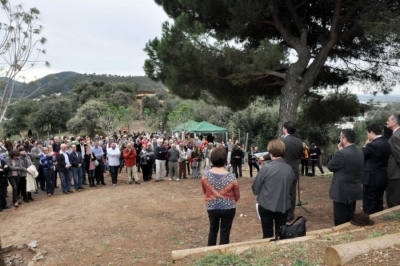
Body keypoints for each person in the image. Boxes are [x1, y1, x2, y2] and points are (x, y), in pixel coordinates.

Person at [252, 139, 294, 238]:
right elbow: (291, 188)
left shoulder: (266, 168)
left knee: (267, 233)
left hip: (266, 204)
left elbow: (256, 189)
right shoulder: (289, 169)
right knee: (281, 232)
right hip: (283, 205)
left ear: (270, 152)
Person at [201, 147, 240, 246]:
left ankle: (211, 253)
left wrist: (214, 196)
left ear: (212, 159)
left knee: (213, 229)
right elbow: (237, 194)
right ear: (225, 159)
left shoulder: (205, 175)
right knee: (225, 231)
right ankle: (223, 254)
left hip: (212, 206)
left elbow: (205, 191)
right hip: (229, 207)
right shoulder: (231, 176)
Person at [327, 129, 364, 226]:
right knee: (350, 216)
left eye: (340, 137)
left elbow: (330, 166)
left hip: (341, 191)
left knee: (340, 219)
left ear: (345, 139)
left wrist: (339, 151)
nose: (339, 140)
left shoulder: (342, 154)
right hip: (354, 188)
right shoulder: (360, 151)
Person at [361, 124, 391, 214]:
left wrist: (365, 146)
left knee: (369, 202)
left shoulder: (372, 145)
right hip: (382, 176)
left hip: (371, 178)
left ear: (372, 133)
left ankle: (370, 219)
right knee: (379, 201)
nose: (367, 135)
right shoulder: (386, 143)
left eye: (367, 133)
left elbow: (361, 155)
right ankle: (378, 218)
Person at [281, 121, 303, 222]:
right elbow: (300, 155)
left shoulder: (283, 141)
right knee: (292, 192)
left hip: (284, 169)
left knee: (284, 192)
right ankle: (291, 213)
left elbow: (278, 154)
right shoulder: (299, 142)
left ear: (285, 129)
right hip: (294, 169)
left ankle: (284, 212)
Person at [386, 114, 400, 208]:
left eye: (388, 120)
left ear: (394, 122)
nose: (386, 122)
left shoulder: (395, 137)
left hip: (395, 174)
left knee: (393, 200)